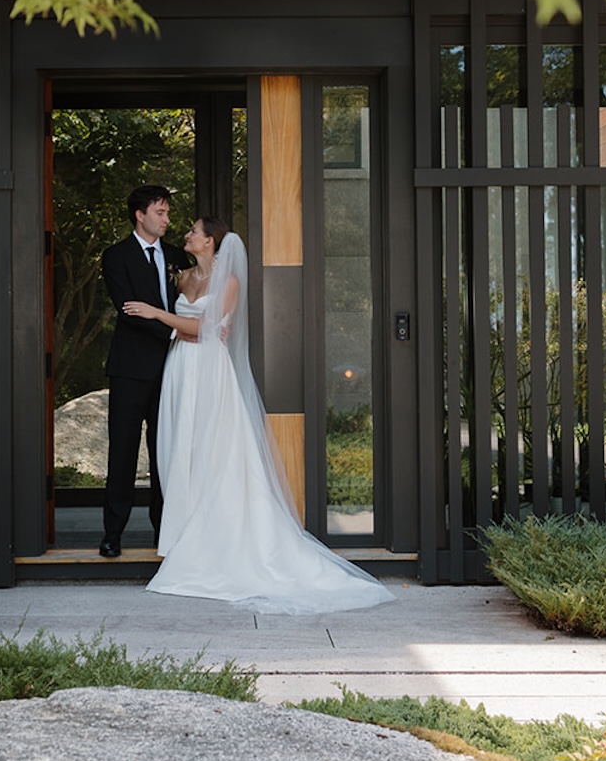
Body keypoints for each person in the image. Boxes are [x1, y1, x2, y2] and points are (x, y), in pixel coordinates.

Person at [121, 217, 394, 614]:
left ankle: (215, 543)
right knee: (182, 450)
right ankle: (183, 539)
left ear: (211, 241)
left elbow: (207, 329)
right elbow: (193, 329)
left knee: (214, 452)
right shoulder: (182, 280)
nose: (187, 235)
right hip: (180, 367)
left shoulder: (227, 282)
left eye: (195, 231)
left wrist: (160, 316)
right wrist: (188, 328)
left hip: (210, 373)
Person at [98, 185, 188, 558]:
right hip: (131, 368)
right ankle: (112, 534)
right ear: (140, 214)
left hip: (174, 368)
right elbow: (128, 310)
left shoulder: (177, 257)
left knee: (164, 452)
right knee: (122, 452)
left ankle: (163, 532)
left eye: (167, 213)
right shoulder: (116, 256)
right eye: (160, 212)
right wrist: (175, 331)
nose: (167, 220)